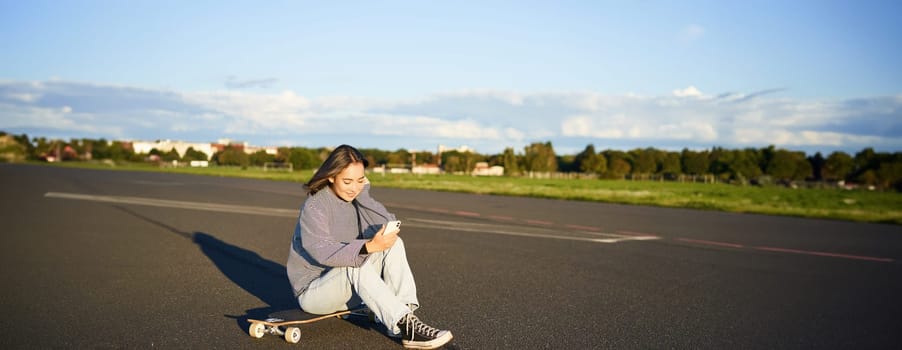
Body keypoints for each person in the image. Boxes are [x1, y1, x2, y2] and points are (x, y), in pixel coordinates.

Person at [287, 145, 453, 349]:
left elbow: (386, 222)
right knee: (354, 261)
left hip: (345, 288)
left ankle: (405, 316)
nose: (353, 188)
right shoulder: (315, 206)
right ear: (331, 176)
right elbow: (322, 251)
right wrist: (366, 247)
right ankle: (405, 324)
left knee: (393, 243)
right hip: (314, 292)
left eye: (359, 181)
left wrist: (364, 195)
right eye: (347, 181)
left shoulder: (356, 198)